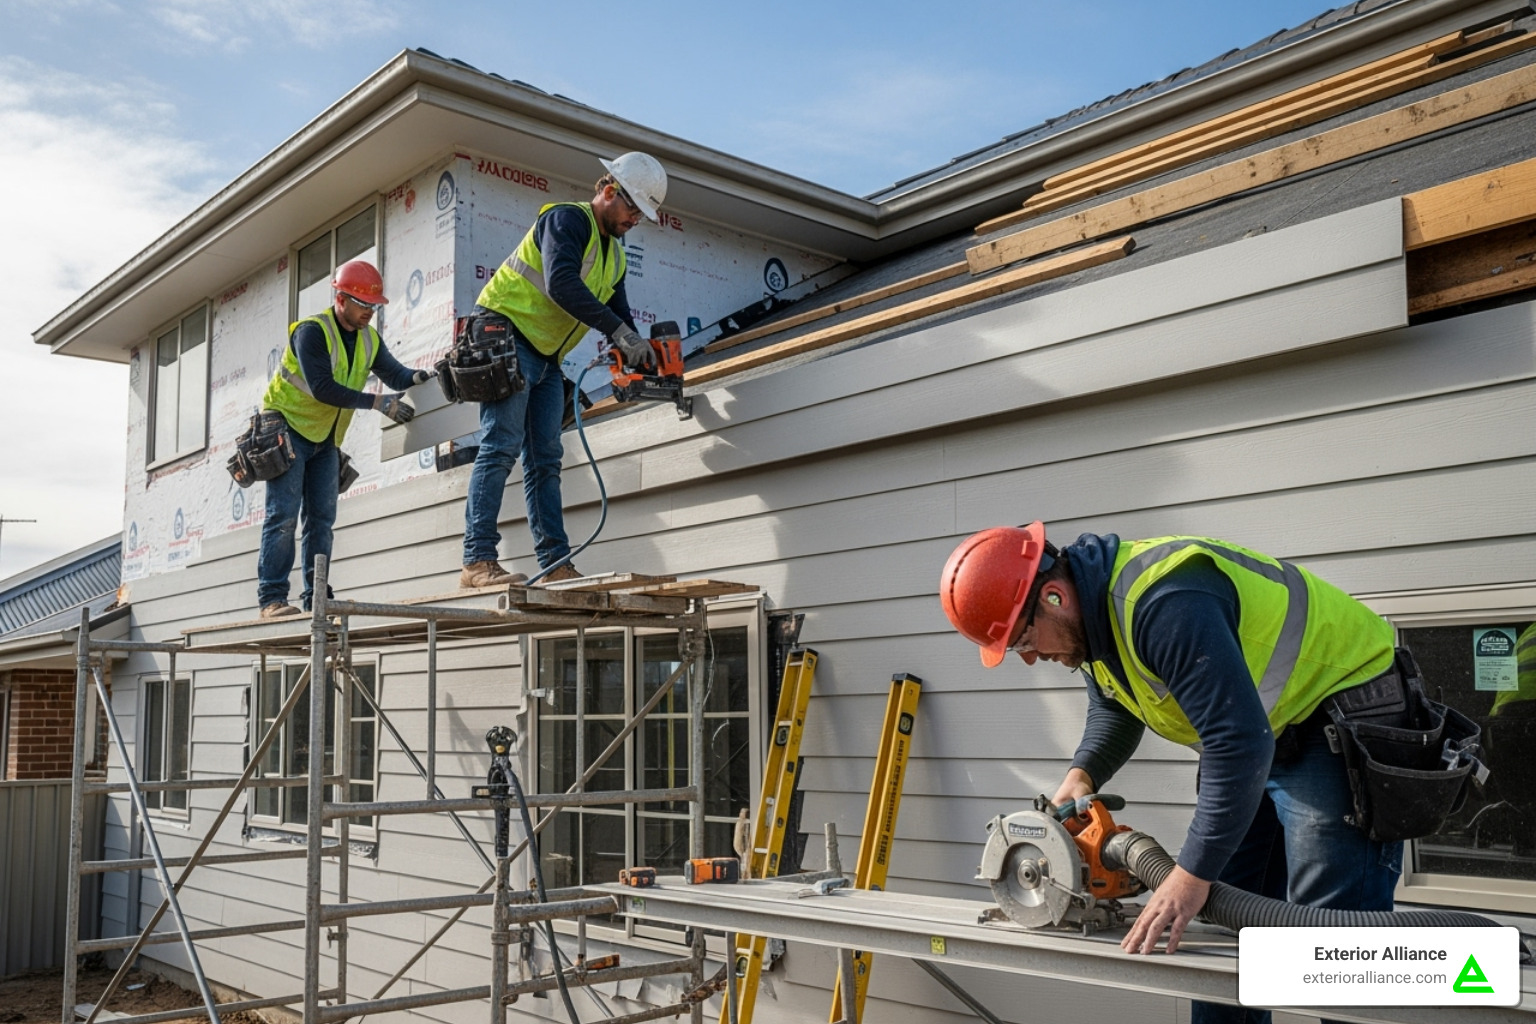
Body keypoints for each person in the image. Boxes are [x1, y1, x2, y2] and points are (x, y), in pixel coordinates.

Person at [941, 523, 1408, 1024]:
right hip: (1257, 732)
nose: (1031, 658)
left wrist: (1188, 876)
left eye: (1023, 639)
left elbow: (1238, 742)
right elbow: (1116, 706)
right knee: (1229, 922)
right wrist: (1082, 775)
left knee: (1334, 946)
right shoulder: (1091, 622)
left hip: (1339, 707)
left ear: (1054, 596)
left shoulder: (1165, 601)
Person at [458, 152, 666, 589]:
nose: (635, 221)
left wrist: (636, 348)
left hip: (545, 354)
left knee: (546, 459)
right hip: (505, 334)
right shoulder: (568, 220)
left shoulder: (616, 257)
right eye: (633, 209)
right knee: (500, 446)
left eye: (642, 215)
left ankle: (556, 562)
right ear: (609, 192)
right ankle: (477, 561)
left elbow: (619, 315)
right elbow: (561, 282)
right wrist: (619, 332)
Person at [256, 260, 431, 619]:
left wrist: (422, 378)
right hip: (287, 429)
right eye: (363, 304)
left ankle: (316, 595)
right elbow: (322, 388)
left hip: (325, 440)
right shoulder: (312, 333)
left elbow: (395, 374)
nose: (369, 312)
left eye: (374, 306)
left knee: (322, 519)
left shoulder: (369, 339)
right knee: (284, 516)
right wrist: (376, 402)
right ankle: (272, 599)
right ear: (340, 299)